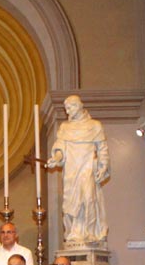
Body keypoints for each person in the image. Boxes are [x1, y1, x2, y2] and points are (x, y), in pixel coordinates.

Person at [47, 95, 110, 245]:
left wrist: (103, 166)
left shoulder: (95, 126)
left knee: (89, 199)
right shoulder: (65, 128)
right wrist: (56, 158)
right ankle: (75, 233)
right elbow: (60, 147)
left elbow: (102, 148)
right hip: (71, 170)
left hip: (88, 167)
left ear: (79, 106)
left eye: (70, 108)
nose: (68, 111)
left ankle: (90, 233)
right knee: (71, 203)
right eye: (66, 109)